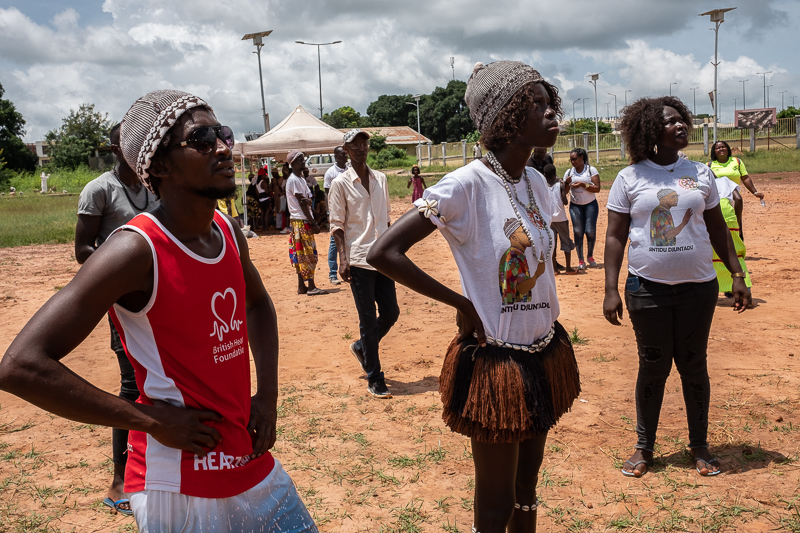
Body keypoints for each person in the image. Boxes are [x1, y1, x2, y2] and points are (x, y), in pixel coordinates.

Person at [0, 90, 318, 532]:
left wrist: (267, 395)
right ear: (161, 165)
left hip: (248, 460)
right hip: (178, 483)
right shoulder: (135, 250)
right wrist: (147, 420)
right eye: (202, 139)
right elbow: (20, 366)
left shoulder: (226, 229)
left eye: (223, 134)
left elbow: (258, 303)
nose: (222, 147)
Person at [367, 61, 580, 533]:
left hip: (544, 350)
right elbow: (384, 252)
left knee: (526, 490)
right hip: (498, 361)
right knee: (495, 505)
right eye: (536, 104)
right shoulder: (467, 185)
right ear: (506, 117)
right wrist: (461, 304)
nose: (551, 113)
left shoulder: (536, 183)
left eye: (550, 103)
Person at [603, 95, 751, 480]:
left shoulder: (700, 173)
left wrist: (737, 274)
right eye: (670, 121)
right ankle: (644, 446)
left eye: (681, 119)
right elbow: (615, 236)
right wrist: (610, 288)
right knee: (653, 367)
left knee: (693, 364)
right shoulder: (630, 177)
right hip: (646, 288)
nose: (680, 125)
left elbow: (717, 228)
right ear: (651, 131)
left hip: (698, 289)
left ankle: (699, 445)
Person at [74, 122, 159, 517]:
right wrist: (121, 274)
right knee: (131, 385)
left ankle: (154, 470)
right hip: (122, 304)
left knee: (157, 380)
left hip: (158, 300)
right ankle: (119, 482)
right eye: (129, 143)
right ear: (114, 149)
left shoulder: (153, 188)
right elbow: (82, 249)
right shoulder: (99, 190)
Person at [329, 128, 399, 399]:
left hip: (382, 257)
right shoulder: (340, 184)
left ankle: (361, 347)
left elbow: (387, 218)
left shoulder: (381, 179)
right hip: (358, 259)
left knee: (391, 313)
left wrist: (394, 249)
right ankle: (375, 377)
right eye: (355, 144)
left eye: (364, 143)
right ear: (346, 150)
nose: (361, 148)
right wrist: (342, 259)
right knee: (367, 319)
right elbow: (337, 224)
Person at [286, 149, 327, 296]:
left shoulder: (301, 179)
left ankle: (301, 286)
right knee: (307, 253)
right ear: (293, 163)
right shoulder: (294, 180)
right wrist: (313, 223)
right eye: (300, 159)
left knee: (300, 254)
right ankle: (311, 286)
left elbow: (307, 200)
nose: (303, 161)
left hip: (299, 221)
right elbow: (303, 203)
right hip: (301, 221)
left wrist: (309, 203)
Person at [713, 176, 753, 297]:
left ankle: (725, 288)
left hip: (712, 212)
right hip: (729, 215)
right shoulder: (725, 181)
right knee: (735, 252)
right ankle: (744, 290)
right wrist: (737, 223)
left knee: (713, 254)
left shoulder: (699, 182)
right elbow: (738, 199)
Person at [564, 148, 600, 269]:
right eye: (571, 160)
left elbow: (597, 188)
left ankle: (590, 255)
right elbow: (565, 192)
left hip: (590, 204)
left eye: (575, 159)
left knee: (590, 231)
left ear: (581, 158)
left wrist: (583, 185)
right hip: (575, 206)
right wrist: (567, 183)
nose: (572, 162)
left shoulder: (591, 170)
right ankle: (580, 259)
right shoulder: (569, 172)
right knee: (578, 231)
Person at [708, 141, 765, 207]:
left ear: (728, 149)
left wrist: (755, 192)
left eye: (723, 147)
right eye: (718, 148)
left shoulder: (737, 161)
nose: (721, 149)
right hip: (719, 198)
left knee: (736, 212)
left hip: (736, 197)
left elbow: (745, 178)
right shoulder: (709, 165)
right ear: (714, 151)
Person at [543, 163, 576, 274]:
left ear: (544, 175)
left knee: (552, 244)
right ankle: (568, 268)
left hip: (549, 219)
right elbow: (565, 202)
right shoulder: (560, 185)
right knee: (566, 241)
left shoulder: (544, 187)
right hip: (561, 218)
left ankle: (555, 269)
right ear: (555, 174)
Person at [324, 146, 349, 285]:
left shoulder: (350, 169)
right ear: (336, 156)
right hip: (336, 210)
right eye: (342, 154)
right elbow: (327, 194)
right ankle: (333, 273)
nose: (345, 156)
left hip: (349, 210)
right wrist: (329, 212)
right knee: (334, 242)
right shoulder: (330, 173)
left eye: (346, 154)